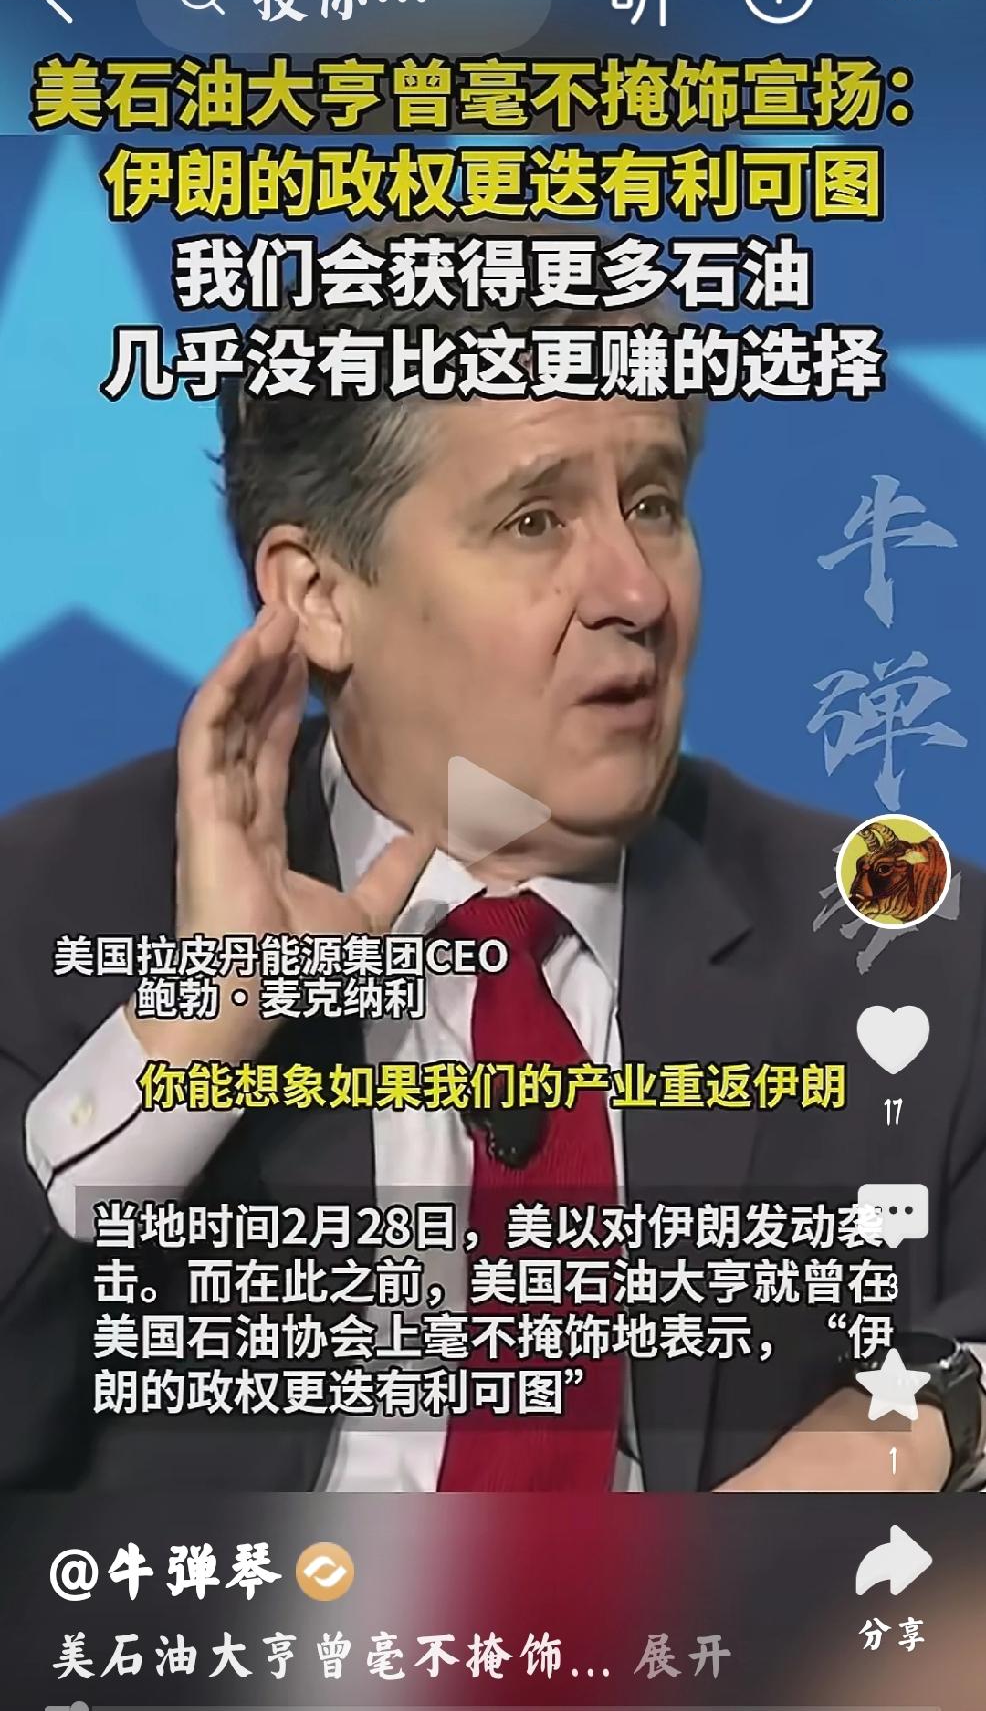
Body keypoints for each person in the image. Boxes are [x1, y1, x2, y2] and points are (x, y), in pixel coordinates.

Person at [2, 221, 984, 1493]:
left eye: (653, 503)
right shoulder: (45, 909)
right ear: (319, 597)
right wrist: (199, 1029)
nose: (634, 591)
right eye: (533, 520)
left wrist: (908, 1429)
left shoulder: (902, 943)